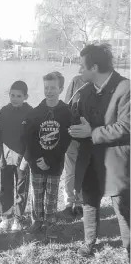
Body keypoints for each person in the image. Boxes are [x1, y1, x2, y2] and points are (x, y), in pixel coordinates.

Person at [69, 44, 130, 257]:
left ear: (94, 67)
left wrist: (92, 132)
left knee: (122, 209)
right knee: (89, 202)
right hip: (89, 160)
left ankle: (128, 247)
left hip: (115, 162)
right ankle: (89, 243)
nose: (79, 71)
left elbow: (126, 126)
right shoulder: (85, 91)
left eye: (81, 66)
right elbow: (79, 120)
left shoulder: (125, 88)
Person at [20, 72, 72, 239]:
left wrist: (49, 159)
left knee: (51, 192)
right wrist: (37, 159)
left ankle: (50, 221)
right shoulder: (36, 113)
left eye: (53, 88)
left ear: (61, 88)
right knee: (37, 192)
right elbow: (29, 139)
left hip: (55, 162)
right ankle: (37, 220)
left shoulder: (66, 112)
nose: (49, 91)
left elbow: (65, 139)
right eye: (46, 87)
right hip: (36, 162)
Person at [0, 81, 32, 230]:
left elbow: (32, 138)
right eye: (12, 95)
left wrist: (26, 158)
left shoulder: (30, 112)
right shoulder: (4, 111)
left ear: (26, 96)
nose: (15, 98)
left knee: (21, 189)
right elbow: (0, 135)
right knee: (6, 188)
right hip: (6, 158)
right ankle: (6, 216)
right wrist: (0, 157)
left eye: (19, 96)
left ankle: (18, 218)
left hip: (22, 160)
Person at [59, 74, 87, 220]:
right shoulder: (76, 81)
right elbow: (66, 105)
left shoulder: (99, 84)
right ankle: (69, 204)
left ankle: (80, 203)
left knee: (83, 171)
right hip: (72, 135)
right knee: (70, 171)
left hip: (89, 138)